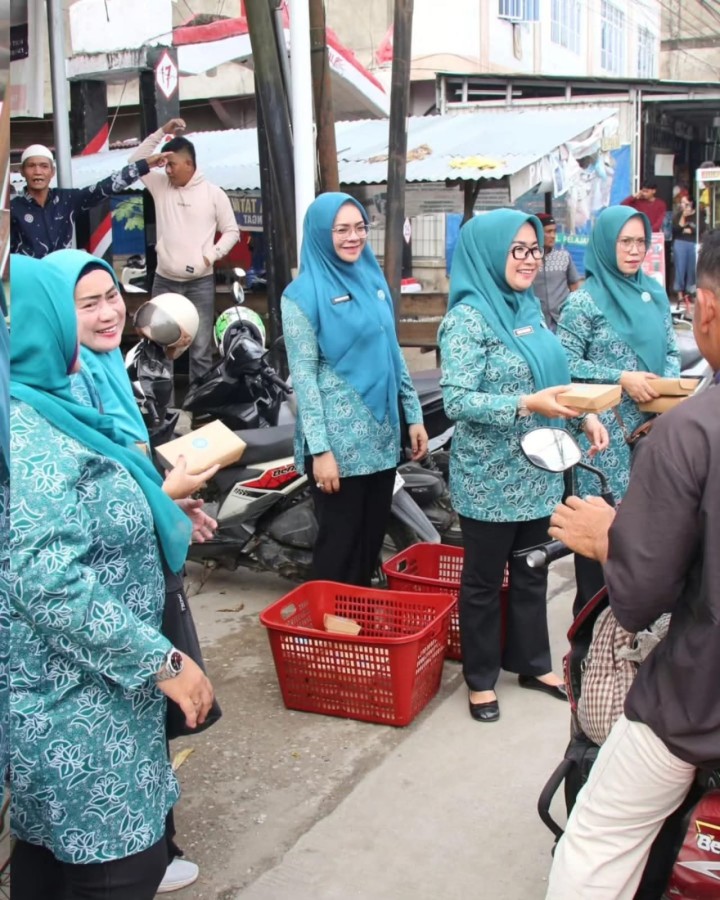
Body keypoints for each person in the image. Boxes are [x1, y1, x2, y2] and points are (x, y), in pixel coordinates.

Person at [9, 254, 215, 900]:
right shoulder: (30, 430)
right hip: (75, 710)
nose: (101, 316)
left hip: (94, 697)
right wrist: (165, 661)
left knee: (51, 863)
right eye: (77, 306)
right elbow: (47, 582)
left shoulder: (54, 403)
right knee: (119, 869)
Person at [544, 230, 720, 900]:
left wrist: (615, 541)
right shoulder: (579, 307)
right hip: (614, 449)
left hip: (701, 697)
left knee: (598, 836)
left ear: (702, 308)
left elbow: (643, 593)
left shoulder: (693, 430)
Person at [438, 209, 608, 724]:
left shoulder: (528, 309)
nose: (530, 260)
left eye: (535, 249)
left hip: (539, 470)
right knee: (485, 581)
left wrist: (586, 418)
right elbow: (456, 400)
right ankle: (482, 678)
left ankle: (532, 663)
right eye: (518, 249)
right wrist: (526, 405)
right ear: (489, 252)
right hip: (489, 478)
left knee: (532, 573)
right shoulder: (467, 318)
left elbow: (554, 378)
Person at [281, 192, 428, 586]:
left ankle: (358, 633)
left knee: (368, 548)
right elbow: (305, 379)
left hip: (380, 441)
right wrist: (321, 452)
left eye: (360, 227)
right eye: (342, 229)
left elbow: (392, 350)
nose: (353, 237)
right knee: (338, 551)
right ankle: (332, 638)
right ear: (319, 234)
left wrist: (412, 414)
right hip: (338, 449)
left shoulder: (372, 279)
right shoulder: (300, 296)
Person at [557, 206, 680, 615]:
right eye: (624, 242)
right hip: (602, 433)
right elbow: (566, 365)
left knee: (644, 533)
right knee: (598, 537)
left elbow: (672, 351)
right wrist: (621, 377)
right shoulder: (584, 303)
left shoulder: (654, 293)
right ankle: (589, 638)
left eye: (640, 241)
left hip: (651, 430)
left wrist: (669, 391)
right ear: (606, 244)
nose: (633, 250)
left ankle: (634, 626)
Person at [129, 119, 240, 384]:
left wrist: (209, 257)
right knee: (159, 345)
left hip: (199, 283)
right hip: (164, 279)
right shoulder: (160, 186)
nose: (167, 170)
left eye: (172, 164)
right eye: (165, 165)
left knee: (200, 348)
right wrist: (161, 134)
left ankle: (195, 407)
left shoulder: (214, 194)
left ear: (189, 164)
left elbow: (232, 231)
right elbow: (134, 164)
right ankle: (161, 406)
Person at [10, 143, 166, 258]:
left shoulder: (67, 200)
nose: (38, 172)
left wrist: (144, 165)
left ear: (52, 172)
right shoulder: (12, 209)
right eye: (31, 166)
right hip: (27, 282)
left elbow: (105, 187)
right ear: (22, 172)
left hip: (62, 277)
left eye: (44, 166)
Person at [533, 213, 581, 331]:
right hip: (537, 322)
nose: (553, 236)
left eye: (554, 231)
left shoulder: (564, 257)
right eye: (548, 232)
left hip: (562, 321)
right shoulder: (528, 260)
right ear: (537, 233)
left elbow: (574, 288)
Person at [672, 195, 705, 305]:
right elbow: (676, 229)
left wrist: (688, 229)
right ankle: (679, 293)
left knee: (692, 269)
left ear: (692, 205)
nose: (683, 206)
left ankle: (690, 292)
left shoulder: (698, 216)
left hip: (693, 243)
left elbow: (699, 229)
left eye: (686, 204)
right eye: (682, 203)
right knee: (680, 268)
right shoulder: (678, 215)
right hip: (680, 243)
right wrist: (683, 217)